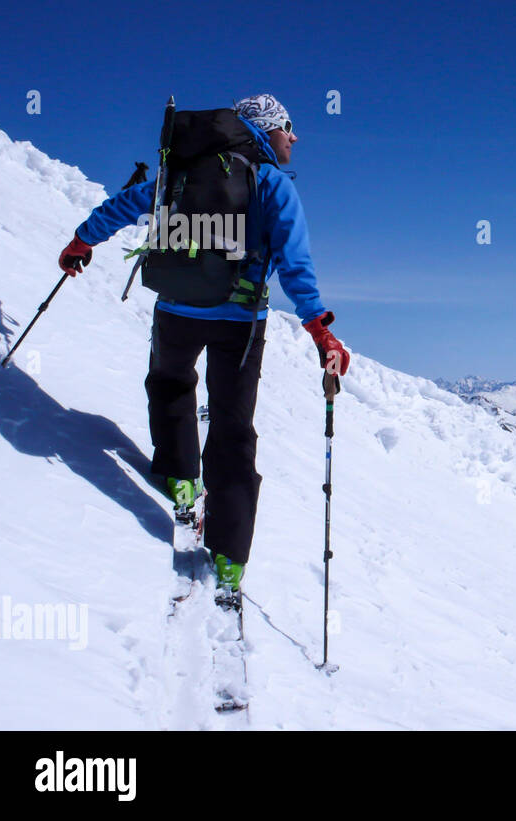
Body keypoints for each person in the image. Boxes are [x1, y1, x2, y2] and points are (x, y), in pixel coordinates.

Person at [56, 93, 349, 592]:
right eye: (287, 127)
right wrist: (319, 328)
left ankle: (178, 474)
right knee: (233, 427)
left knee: (171, 383)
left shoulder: (181, 173)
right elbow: (296, 266)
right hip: (239, 321)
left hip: (175, 308)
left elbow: (127, 205)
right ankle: (229, 553)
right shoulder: (271, 184)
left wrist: (82, 241)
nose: (293, 137)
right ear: (263, 130)